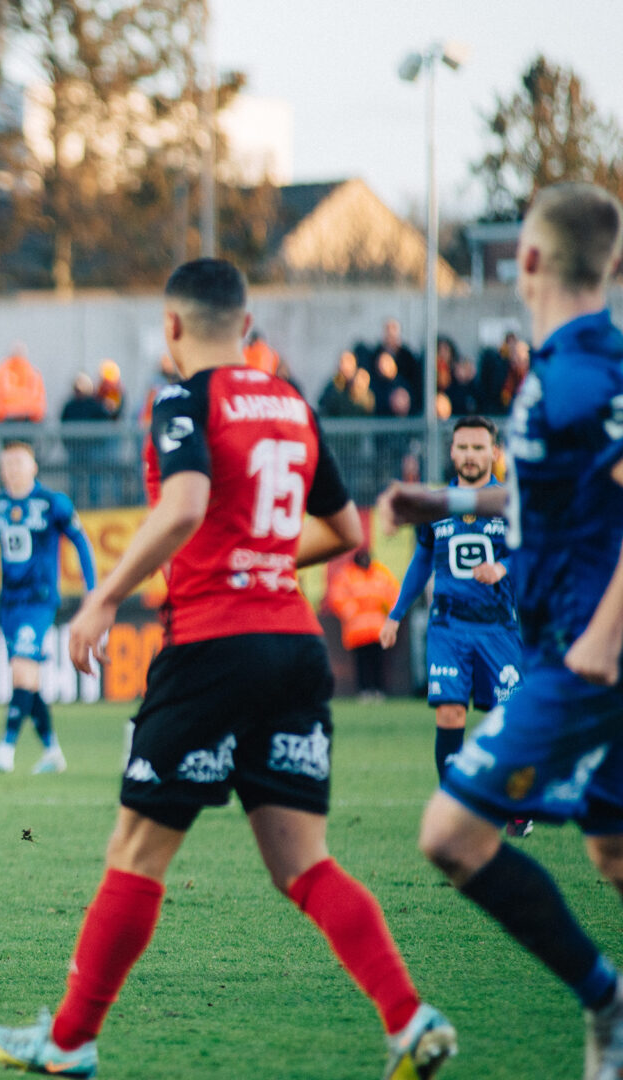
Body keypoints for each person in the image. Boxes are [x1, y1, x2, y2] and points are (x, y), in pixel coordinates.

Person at [0, 258, 456, 1080]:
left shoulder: (180, 399)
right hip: (295, 649)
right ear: (247, 322)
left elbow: (187, 503)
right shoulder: (296, 406)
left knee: (135, 852)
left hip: (210, 648)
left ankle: (69, 1041)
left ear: (171, 329)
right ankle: (410, 1020)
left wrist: (102, 600)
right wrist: (260, 556)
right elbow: (346, 531)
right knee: (305, 863)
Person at [379, 182, 623, 1076]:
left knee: (450, 837)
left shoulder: (591, 371)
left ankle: (607, 1003)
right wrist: (441, 499)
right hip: (578, 647)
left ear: (525, 261)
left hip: (586, 656)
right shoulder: (559, 368)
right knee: (611, 848)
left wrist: (602, 633)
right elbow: (544, 487)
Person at [379, 417, 521, 786]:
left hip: (498, 626)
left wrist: (502, 568)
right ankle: (454, 801)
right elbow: (423, 560)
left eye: (478, 447)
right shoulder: (436, 504)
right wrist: (395, 615)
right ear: (452, 451)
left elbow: (531, 555)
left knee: (505, 719)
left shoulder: (509, 502)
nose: (470, 455)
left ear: (495, 452)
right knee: (449, 713)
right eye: (463, 447)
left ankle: (512, 801)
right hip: (448, 626)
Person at [0, 441, 97, 774]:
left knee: (22, 668)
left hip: (39, 601)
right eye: (6, 464)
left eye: (18, 463)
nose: (11, 470)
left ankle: (5, 748)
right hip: (9, 602)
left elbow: (81, 543)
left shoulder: (52, 503)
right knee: (29, 679)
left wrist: (93, 590)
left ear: (33, 467)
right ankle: (52, 751)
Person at [324, 545, 399, 702]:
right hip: (358, 629)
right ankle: (364, 691)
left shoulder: (380, 573)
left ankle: (378, 691)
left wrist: (391, 614)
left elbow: (394, 593)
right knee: (362, 662)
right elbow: (337, 597)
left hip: (378, 628)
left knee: (378, 661)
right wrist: (350, 612)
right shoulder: (347, 575)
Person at [0, 345, 48, 422]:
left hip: (6, 418)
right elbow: (39, 396)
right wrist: (37, 416)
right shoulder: (33, 372)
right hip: (28, 417)